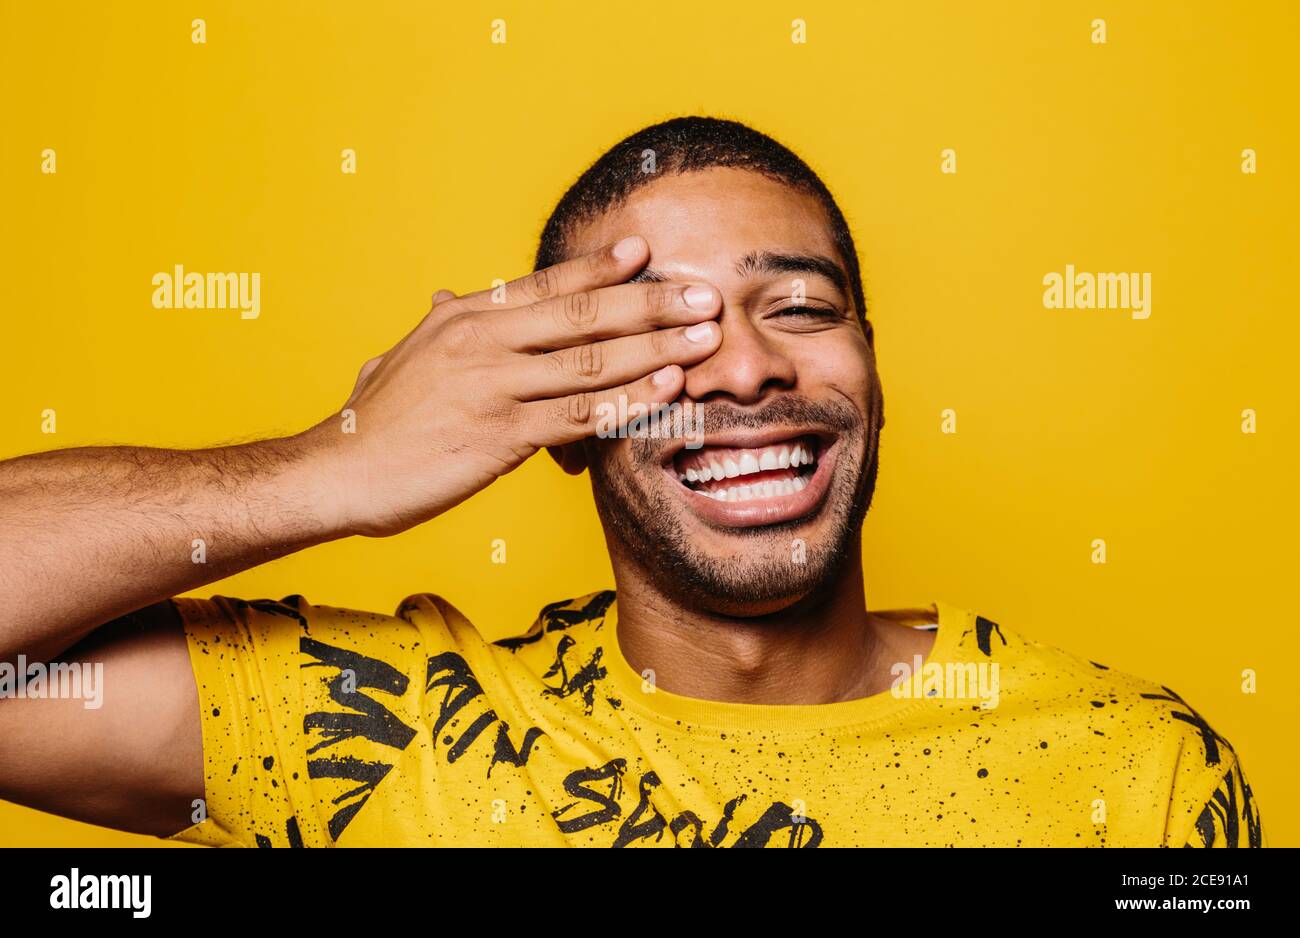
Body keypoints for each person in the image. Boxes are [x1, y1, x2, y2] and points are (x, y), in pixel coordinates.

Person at [0, 117, 1263, 847]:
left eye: (803, 308)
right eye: (664, 330)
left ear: (872, 370)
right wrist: (331, 466)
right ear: (560, 417)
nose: (749, 369)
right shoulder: (388, 732)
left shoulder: (1136, 773)